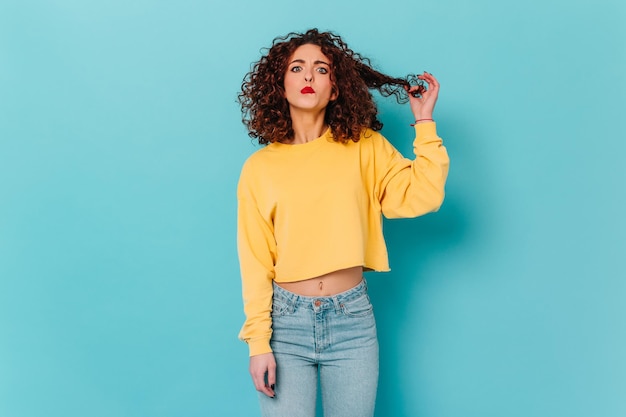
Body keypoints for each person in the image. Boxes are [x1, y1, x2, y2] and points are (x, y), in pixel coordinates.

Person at [236, 28, 449, 417]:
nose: (307, 77)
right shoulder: (259, 169)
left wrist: (425, 124)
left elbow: (424, 195)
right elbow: (254, 261)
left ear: (335, 89)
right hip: (286, 325)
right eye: (297, 68)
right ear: (279, 86)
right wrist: (258, 344)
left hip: (351, 320)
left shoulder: (364, 147)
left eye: (321, 69)